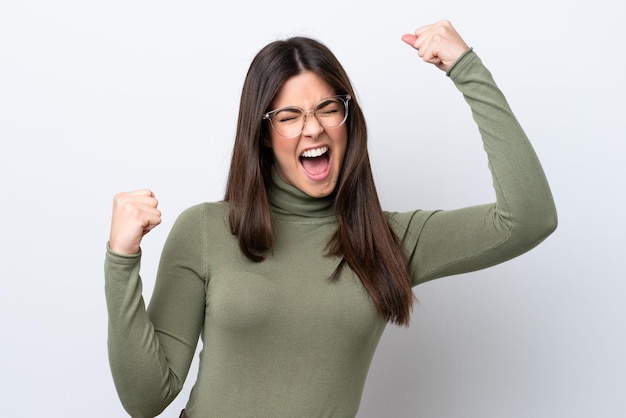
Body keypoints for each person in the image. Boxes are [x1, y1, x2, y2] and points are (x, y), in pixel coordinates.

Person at [104, 20, 557, 418]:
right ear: (262, 134)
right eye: (289, 116)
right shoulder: (206, 230)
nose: (313, 128)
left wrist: (466, 68)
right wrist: (121, 261)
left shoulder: (388, 241)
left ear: (347, 117)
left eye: (327, 108)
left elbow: (528, 218)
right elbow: (146, 400)